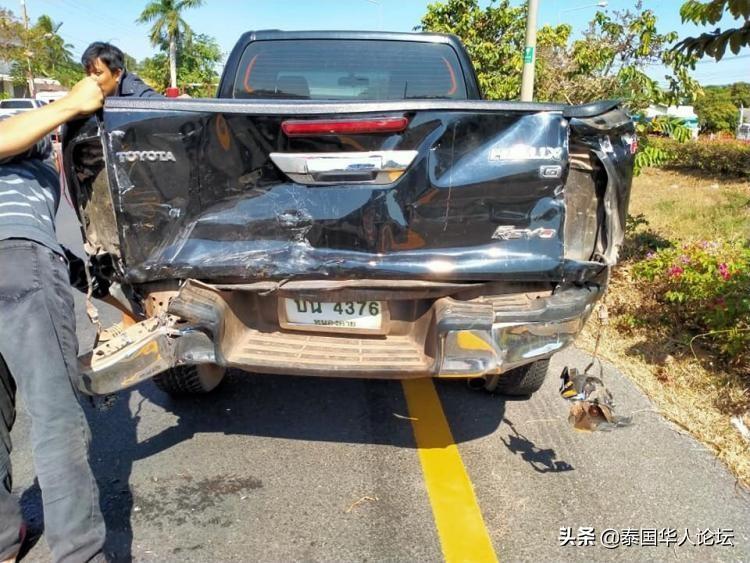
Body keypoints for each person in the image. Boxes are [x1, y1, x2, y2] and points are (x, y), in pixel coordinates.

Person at [0, 76, 107, 563]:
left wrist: (94, 278)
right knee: (55, 420)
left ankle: (5, 538)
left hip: (27, 257)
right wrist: (71, 103)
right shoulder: (20, 131)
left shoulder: (37, 168)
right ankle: (78, 554)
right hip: (17, 259)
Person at [81, 41, 161, 99]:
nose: (90, 80)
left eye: (98, 73)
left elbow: (167, 110)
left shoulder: (140, 96)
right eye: (88, 74)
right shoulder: (88, 94)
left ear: (117, 74)